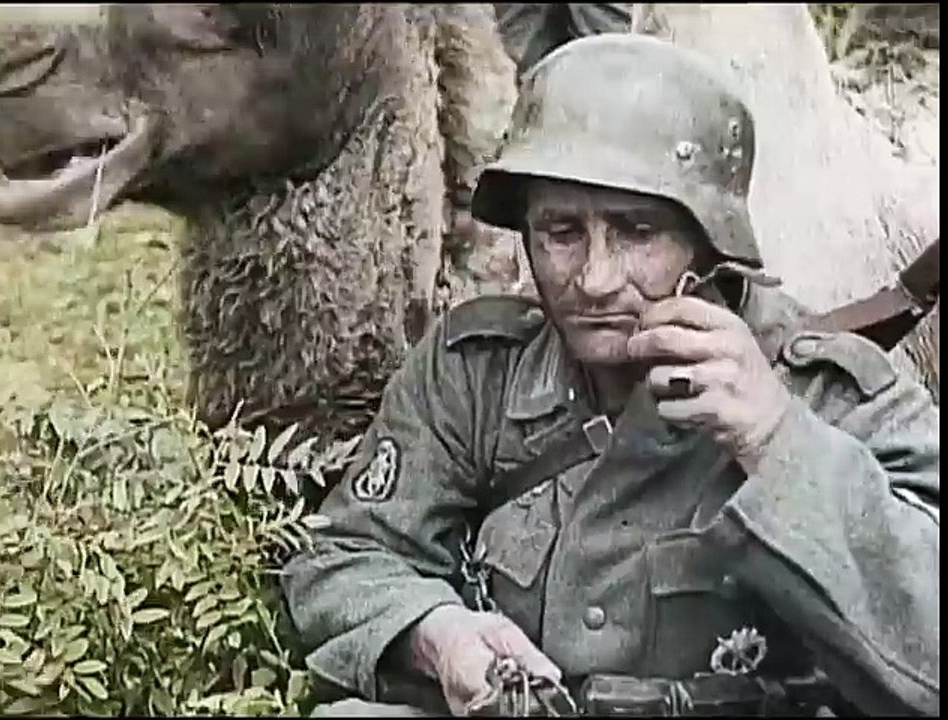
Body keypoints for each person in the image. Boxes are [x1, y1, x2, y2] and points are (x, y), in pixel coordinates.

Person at [279, 33, 940, 717]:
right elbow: (345, 555)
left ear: (709, 242)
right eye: (561, 233)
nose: (594, 279)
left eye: (637, 232)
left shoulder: (833, 395)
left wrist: (777, 441)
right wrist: (437, 636)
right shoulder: (476, 373)